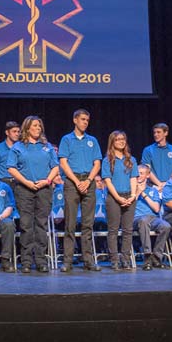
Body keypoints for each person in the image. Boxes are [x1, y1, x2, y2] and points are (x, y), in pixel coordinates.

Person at [7, 116, 58, 273]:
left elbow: (55, 166)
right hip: (24, 189)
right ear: (27, 128)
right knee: (26, 225)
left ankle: (41, 260)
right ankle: (27, 261)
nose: (38, 128)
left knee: (41, 225)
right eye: (35, 126)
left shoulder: (47, 147)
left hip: (43, 189)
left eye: (40, 126)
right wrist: (26, 182)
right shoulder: (18, 147)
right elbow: (11, 168)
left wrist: (47, 181)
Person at [58, 109, 102, 272]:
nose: (85, 122)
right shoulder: (67, 139)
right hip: (72, 182)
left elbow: (97, 163)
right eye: (83, 119)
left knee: (87, 224)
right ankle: (67, 261)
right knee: (70, 223)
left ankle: (88, 260)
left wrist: (89, 180)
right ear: (75, 120)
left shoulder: (92, 140)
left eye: (87, 120)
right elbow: (63, 162)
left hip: (89, 181)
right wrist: (77, 182)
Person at [101, 131, 138, 270]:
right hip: (114, 198)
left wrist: (133, 195)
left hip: (129, 196)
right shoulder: (108, 160)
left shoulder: (131, 159)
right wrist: (118, 198)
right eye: (118, 140)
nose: (121, 142)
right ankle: (114, 259)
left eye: (123, 139)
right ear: (112, 142)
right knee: (113, 230)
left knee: (128, 230)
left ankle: (125, 259)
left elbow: (133, 178)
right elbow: (107, 181)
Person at [134, 164, 172, 270]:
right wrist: (137, 192)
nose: (138, 176)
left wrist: (144, 194)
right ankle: (147, 256)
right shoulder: (130, 189)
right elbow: (129, 205)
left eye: (141, 173)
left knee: (166, 226)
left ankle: (156, 257)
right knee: (143, 220)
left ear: (147, 175)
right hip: (136, 218)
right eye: (137, 173)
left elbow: (156, 209)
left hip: (153, 218)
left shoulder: (153, 191)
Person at [140, 123, 172, 191]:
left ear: (166, 133)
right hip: (153, 186)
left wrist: (167, 183)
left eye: (158, 132)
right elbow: (147, 170)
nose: (155, 135)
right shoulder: (148, 150)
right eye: (154, 132)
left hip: (170, 185)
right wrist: (159, 184)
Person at [0, 121, 21, 190]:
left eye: (18, 132)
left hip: (19, 182)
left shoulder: (22, 148)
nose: (17, 134)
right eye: (14, 131)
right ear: (7, 133)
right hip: (3, 182)